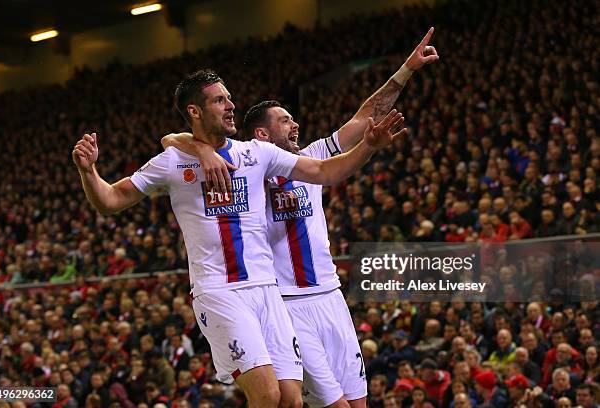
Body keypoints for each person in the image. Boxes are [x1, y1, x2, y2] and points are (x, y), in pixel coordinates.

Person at [72, 69, 405, 408]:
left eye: (229, 98)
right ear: (194, 111)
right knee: (267, 395)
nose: (231, 105)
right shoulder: (172, 162)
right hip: (219, 291)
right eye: (220, 100)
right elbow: (110, 200)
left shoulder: (256, 154)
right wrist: (89, 172)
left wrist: (367, 147)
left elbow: (324, 171)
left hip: (267, 289)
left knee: (290, 399)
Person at [162, 28, 438, 408]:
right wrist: (193, 145)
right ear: (261, 133)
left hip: (331, 295)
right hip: (288, 303)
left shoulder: (311, 158)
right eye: (286, 120)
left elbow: (364, 118)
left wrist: (406, 69)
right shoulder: (249, 164)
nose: (296, 125)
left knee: (358, 404)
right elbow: (174, 139)